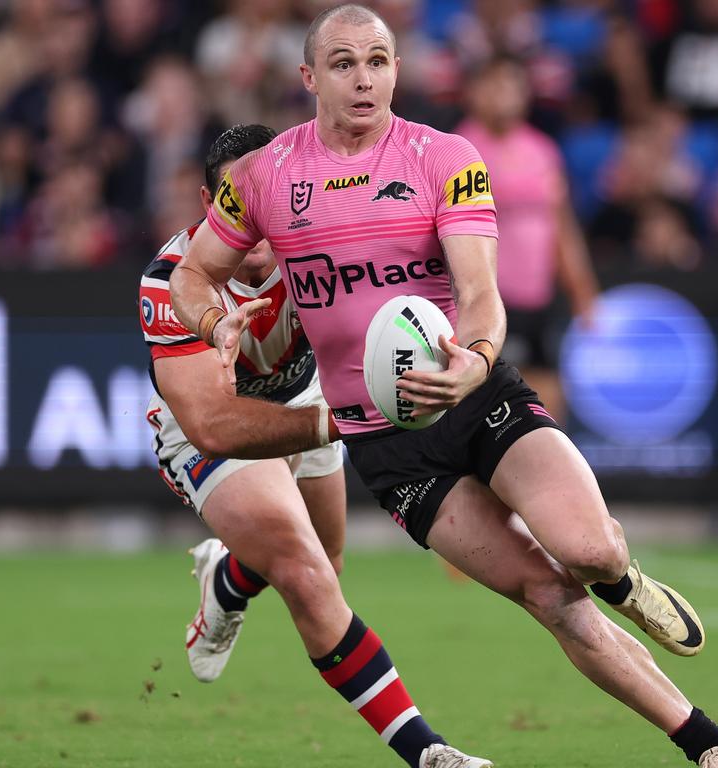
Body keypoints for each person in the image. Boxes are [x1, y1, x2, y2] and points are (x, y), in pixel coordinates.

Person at [170, 5, 718, 768]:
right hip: (388, 446)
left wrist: (474, 361)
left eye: (379, 61)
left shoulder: (444, 157)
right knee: (548, 596)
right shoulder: (266, 175)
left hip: (474, 396)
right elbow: (192, 273)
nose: (364, 78)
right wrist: (217, 324)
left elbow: (481, 292)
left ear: (398, 71)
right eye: (344, 63)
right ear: (309, 77)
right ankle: (709, 748)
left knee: (587, 551)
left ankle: (621, 574)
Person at [142, 123, 484, 768]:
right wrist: (345, 421)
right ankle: (428, 752)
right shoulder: (171, 284)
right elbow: (216, 426)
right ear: (208, 205)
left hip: (309, 398)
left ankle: (229, 579)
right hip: (210, 425)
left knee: (323, 563)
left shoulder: (320, 240)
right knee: (304, 572)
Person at [456, 53, 599, 421]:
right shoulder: (457, 151)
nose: (504, 93)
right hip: (485, 301)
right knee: (486, 404)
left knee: (550, 398)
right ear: (474, 92)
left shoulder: (543, 150)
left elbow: (561, 224)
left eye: (512, 84)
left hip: (539, 300)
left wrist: (582, 290)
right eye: (494, 83)